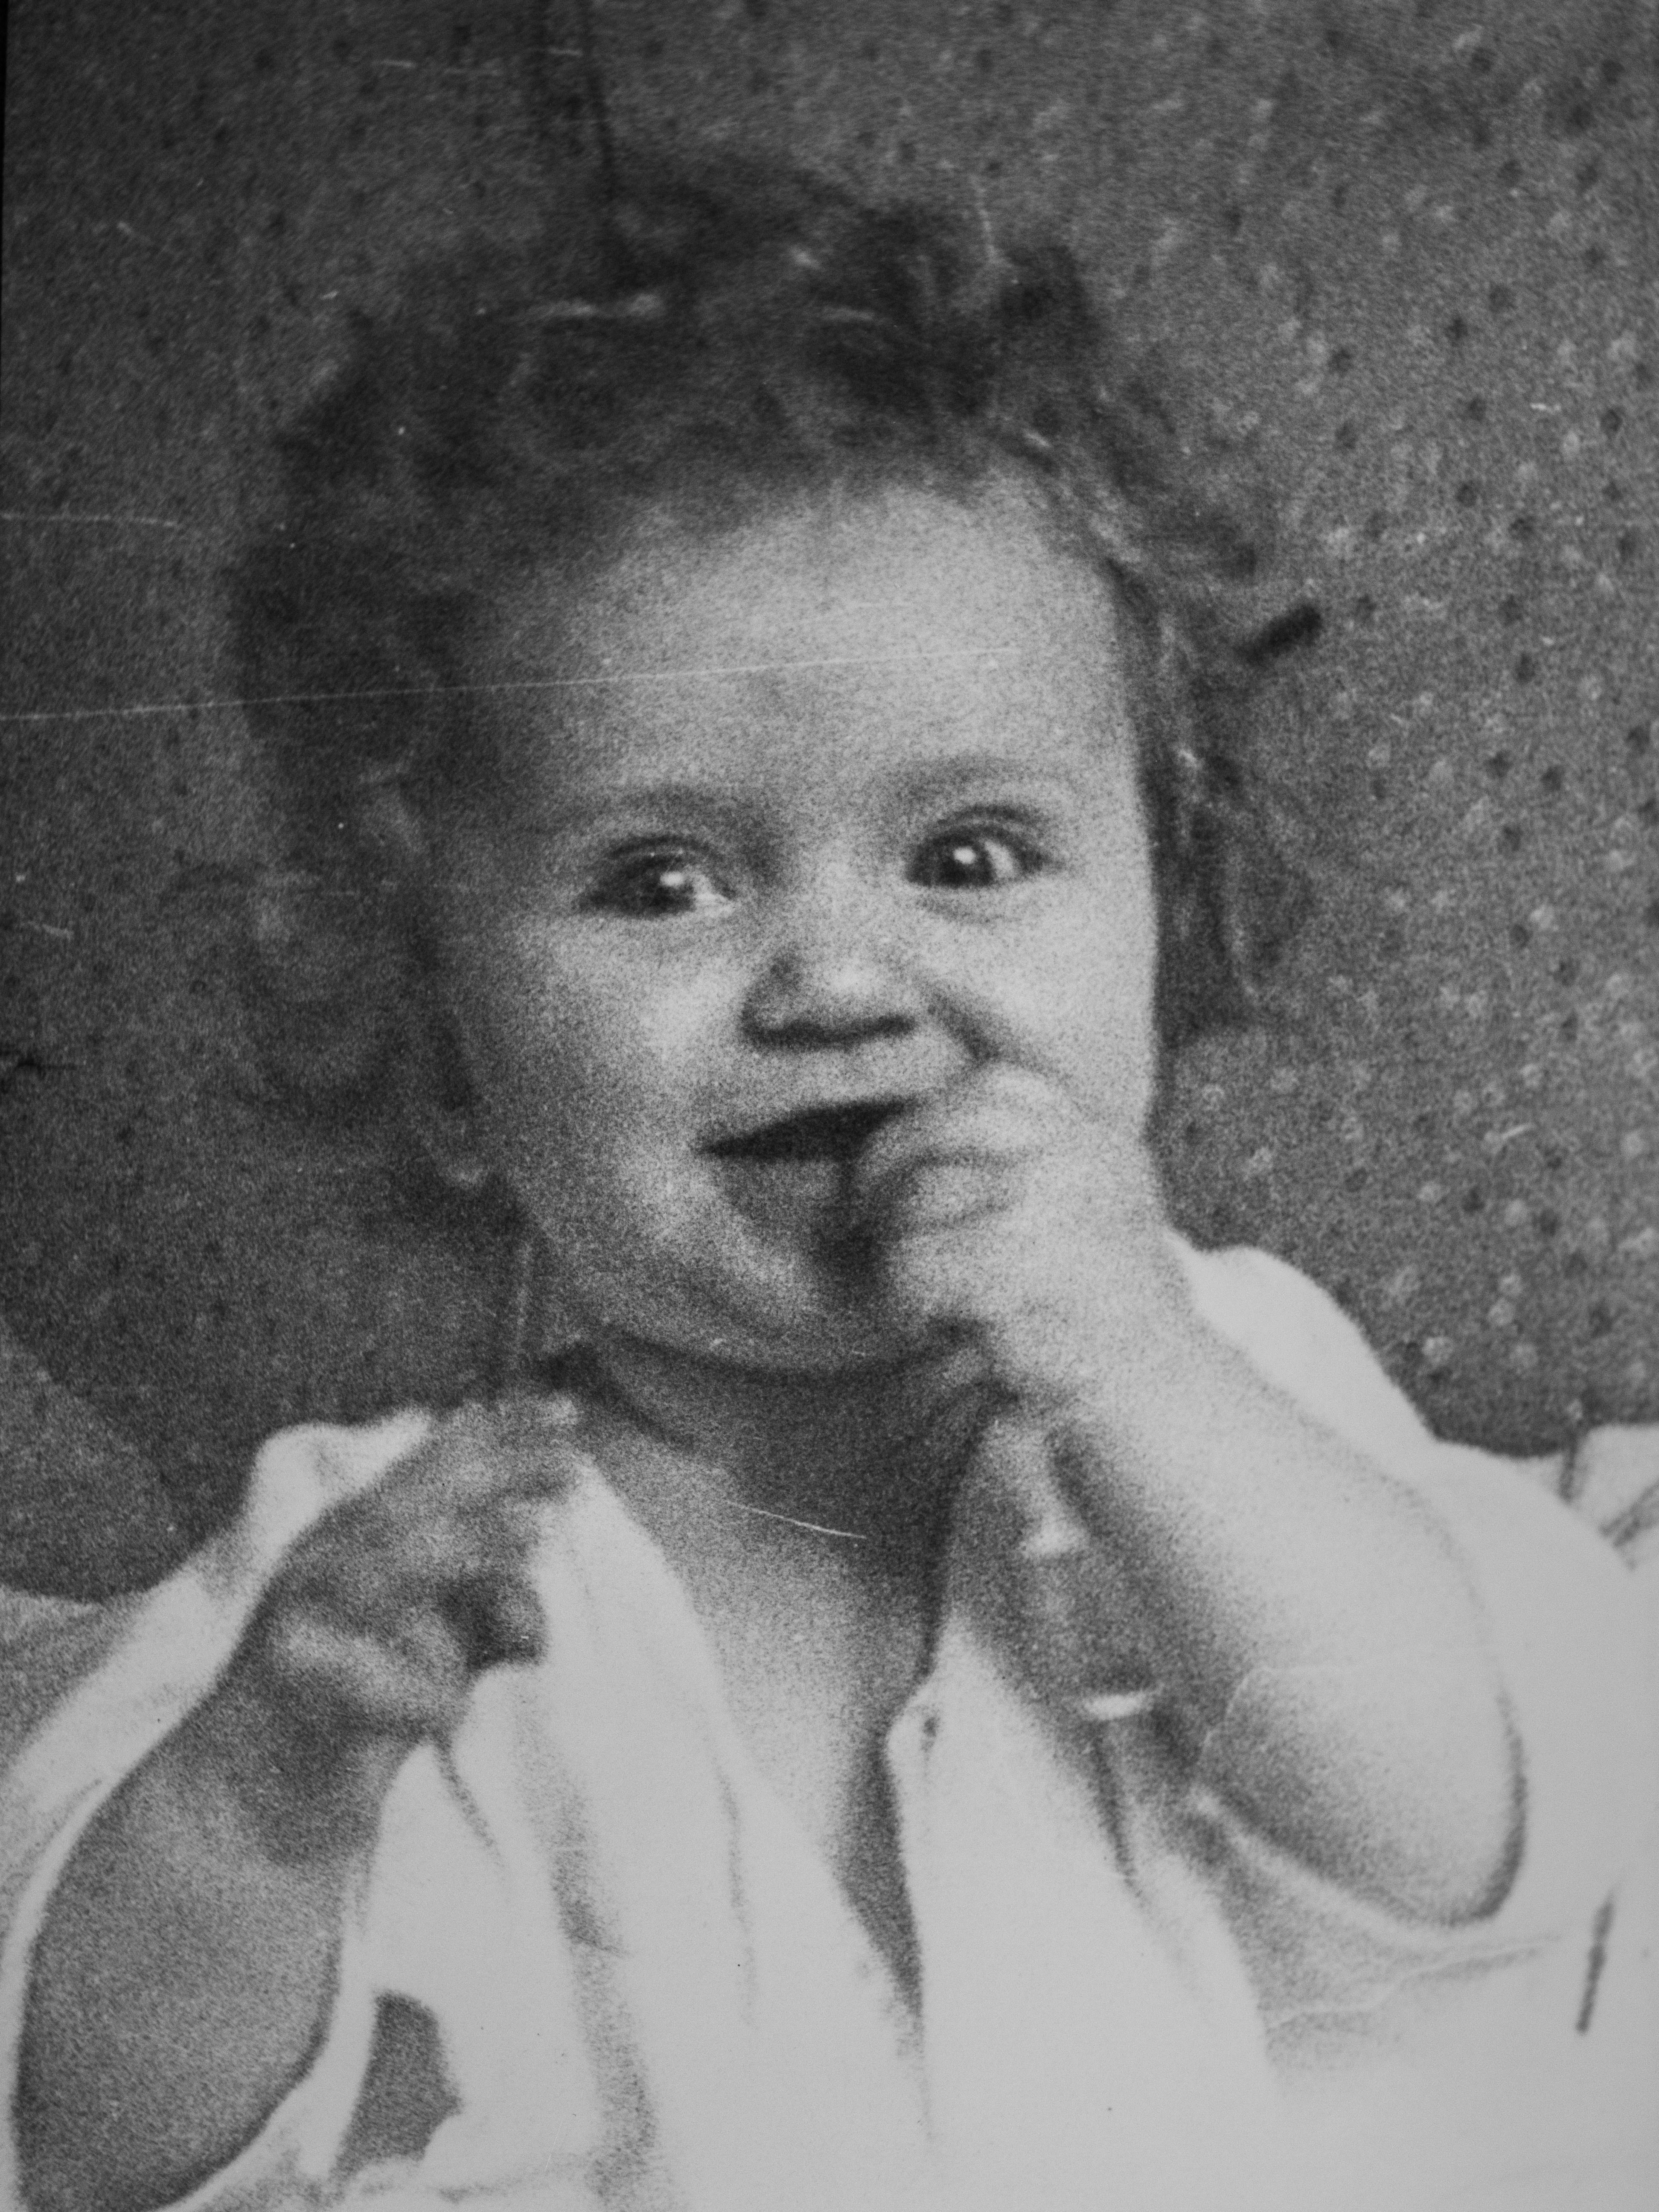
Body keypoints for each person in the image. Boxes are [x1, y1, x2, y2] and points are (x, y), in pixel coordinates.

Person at [2, 155, 1655, 2212]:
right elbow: (81, 2135)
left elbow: (1472, 1851)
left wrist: (1136, 1378)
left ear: (1171, 905)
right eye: (661, 878)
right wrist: (253, 1814)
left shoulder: (1231, 1381)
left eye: (968, 853)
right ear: (440, 1050)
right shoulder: (369, 1573)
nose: (837, 982)